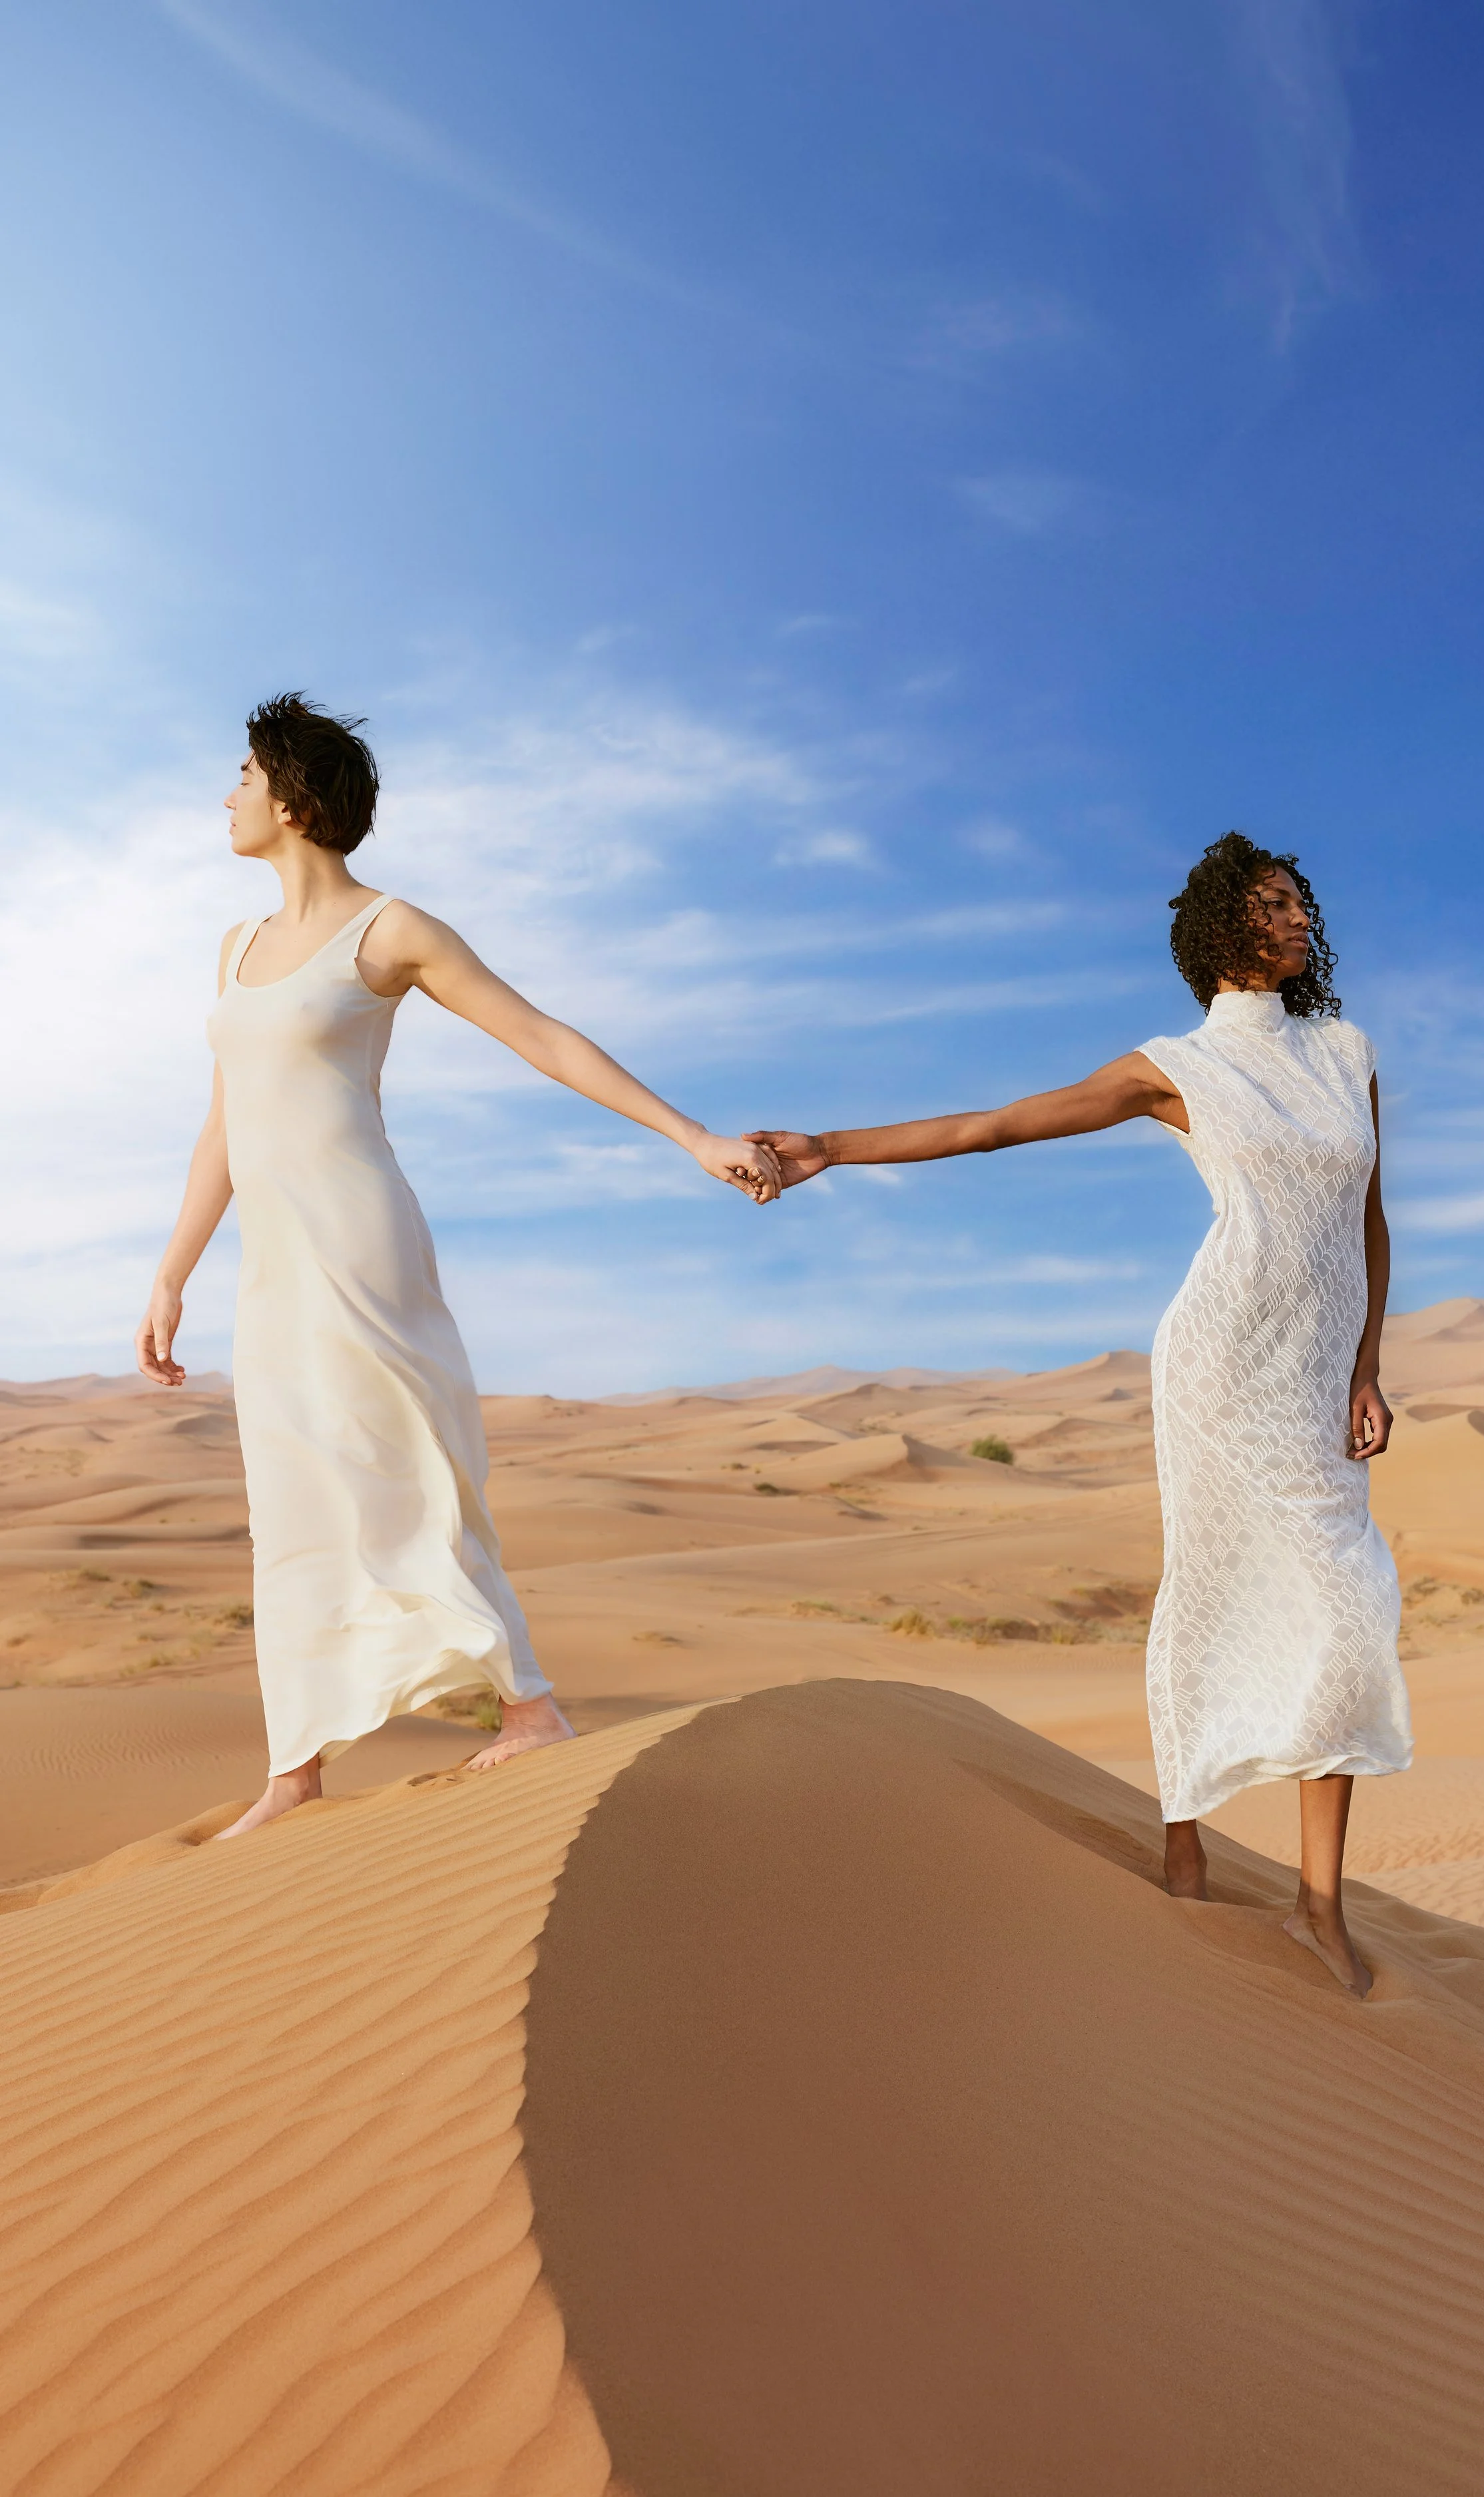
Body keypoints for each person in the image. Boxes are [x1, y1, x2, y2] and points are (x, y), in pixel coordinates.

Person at [749, 832, 1410, 1997]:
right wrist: (831, 1151)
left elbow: (1369, 1219)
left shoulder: (1347, 1052)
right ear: (1223, 930)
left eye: (1303, 898)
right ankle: (1184, 1845)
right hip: (1221, 1362)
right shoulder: (1174, 1066)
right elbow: (1000, 1123)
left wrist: (1366, 1366)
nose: (1300, 915)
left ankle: (1320, 1907)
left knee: (1348, 1608)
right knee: (1207, 1586)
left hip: (1315, 1380)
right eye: (1274, 902)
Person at [137, 693, 779, 1838]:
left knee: (404, 1460)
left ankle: (529, 1704)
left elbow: (541, 1035)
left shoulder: (391, 930)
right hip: (271, 1265)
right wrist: (172, 1272)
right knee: (287, 1493)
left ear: (293, 799)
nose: (225, 794)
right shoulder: (232, 950)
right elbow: (223, 1122)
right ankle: (297, 1766)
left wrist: (693, 1137)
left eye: (242, 774)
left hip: (359, 1235)